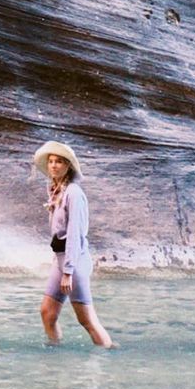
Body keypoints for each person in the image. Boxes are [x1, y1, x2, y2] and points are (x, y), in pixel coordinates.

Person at [32, 141, 114, 347]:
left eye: (59, 161)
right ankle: (55, 351)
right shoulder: (56, 190)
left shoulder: (74, 193)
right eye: (51, 161)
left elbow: (75, 233)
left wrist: (68, 271)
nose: (53, 165)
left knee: (87, 320)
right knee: (47, 313)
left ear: (68, 165)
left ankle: (108, 355)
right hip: (60, 260)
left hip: (74, 263)